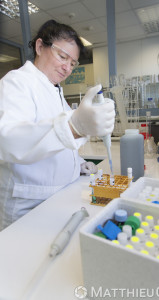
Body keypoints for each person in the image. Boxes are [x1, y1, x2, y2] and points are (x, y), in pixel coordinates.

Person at [0, 20, 115, 230]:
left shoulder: (54, 90)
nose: (67, 67)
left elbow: (56, 140)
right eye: (63, 57)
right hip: (27, 206)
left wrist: (77, 162)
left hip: (57, 197)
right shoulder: (16, 82)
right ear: (39, 46)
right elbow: (9, 140)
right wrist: (73, 126)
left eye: (73, 63)